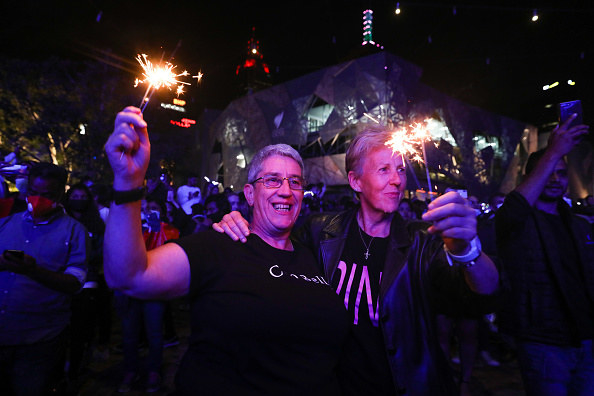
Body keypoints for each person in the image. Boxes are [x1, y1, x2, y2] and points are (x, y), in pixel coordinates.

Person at [215, 126, 499, 395]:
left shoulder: (422, 242)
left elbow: (483, 294)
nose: (397, 179)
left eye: (400, 169)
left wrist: (468, 249)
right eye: (384, 170)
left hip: (407, 386)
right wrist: (239, 221)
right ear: (355, 181)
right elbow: (273, 250)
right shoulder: (320, 232)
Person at [103, 106, 349, 395]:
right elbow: (129, 276)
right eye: (272, 180)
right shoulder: (218, 246)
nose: (285, 190)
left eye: (295, 182)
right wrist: (128, 182)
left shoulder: (316, 253)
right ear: (249, 193)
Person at [495, 114, 593, 396]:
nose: (555, 179)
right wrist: (553, 153)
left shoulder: (578, 224)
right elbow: (513, 209)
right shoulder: (518, 222)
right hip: (544, 340)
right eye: (548, 171)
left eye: (561, 173)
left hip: (586, 338)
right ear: (532, 177)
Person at [0, 162, 88, 395]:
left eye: (47, 195)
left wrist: (33, 271)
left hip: (40, 339)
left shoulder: (74, 231)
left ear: (61, 194)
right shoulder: (6, 224)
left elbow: (75, 283)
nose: (38, 199)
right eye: (33, 193)